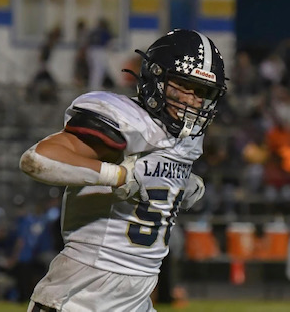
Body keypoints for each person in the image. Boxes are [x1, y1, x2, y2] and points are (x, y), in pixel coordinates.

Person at [19, 29, 227, 312]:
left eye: (202, 92)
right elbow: (38, 159)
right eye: (184, 85)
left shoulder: (187, 140)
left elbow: (152, 173)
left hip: (137, 297)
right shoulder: (127, 119)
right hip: (83, 292)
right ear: (157, 77)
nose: (192, 100)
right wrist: (117, 176)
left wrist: (180, 183)